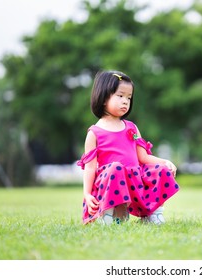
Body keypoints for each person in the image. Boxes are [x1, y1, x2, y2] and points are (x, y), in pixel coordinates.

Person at [77, 70, 180, 225]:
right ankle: (106, 216)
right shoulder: (94, 133)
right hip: (111, 183)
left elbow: (143, 158)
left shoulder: (131, 127)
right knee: (116, 168)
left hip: (134, 182)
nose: (125, 101)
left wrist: (164, 162)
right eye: (120, 96)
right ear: (104, 97)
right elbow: (90, 168)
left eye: (129, 97)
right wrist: (87, 194)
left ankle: (153, 214)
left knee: (162, 169)